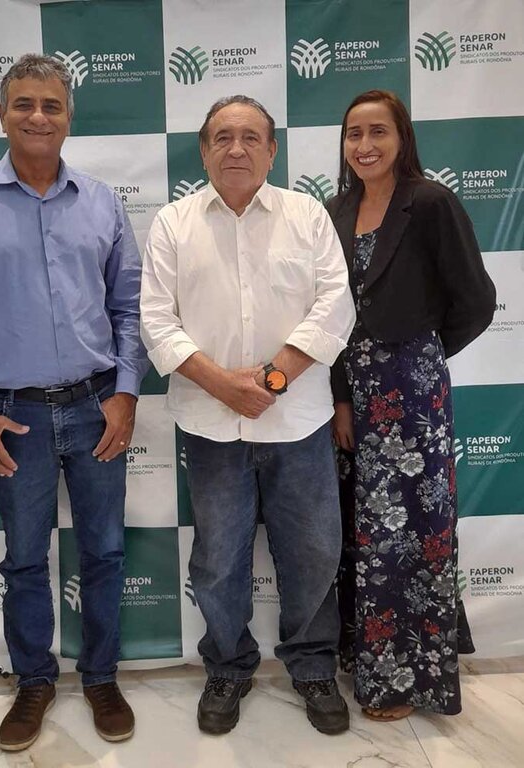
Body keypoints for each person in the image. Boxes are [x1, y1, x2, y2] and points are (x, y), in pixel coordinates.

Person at [0, 54, 148, 752]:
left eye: (51, 105)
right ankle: (33, 683)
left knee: (105, 552)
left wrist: (127, 394)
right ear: (1, 115)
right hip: (10, 415)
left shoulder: (104, 201)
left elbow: (131, 308)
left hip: (94, 408)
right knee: (24, 559)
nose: (38, 117)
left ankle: (102, 676)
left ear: (68, 116)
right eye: (23, 104)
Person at [140, 95, 356, 736]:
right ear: (204, 150)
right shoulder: (174, 224)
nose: (237, 149)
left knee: (314, 549)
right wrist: (220, 384)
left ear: (272, 149)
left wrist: (271, 378)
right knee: (218, 558)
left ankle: (313, 664)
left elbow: (334, 307)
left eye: (251, 137)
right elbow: (156, 320)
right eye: (223, 137)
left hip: (300, 422)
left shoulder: (307, 215)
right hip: (211, 426)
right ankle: (228, 666)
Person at [327, 89, 496, 721]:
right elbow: (332, 318)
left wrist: (420, 355)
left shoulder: (429, 202)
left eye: (378, 132)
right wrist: (344, 394)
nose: (364, 146)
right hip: (349, 391)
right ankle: (363, 659)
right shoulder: (336, 209)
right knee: (363, 535)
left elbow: (476, 299)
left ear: (402, 138)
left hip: (413, 396)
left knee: (412, 538)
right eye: (353, 134)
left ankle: (408, 679)